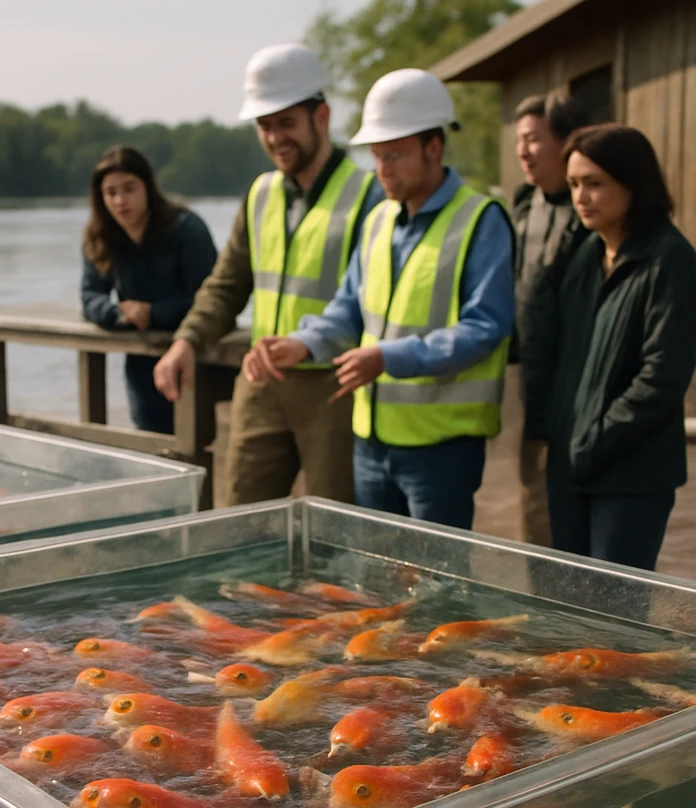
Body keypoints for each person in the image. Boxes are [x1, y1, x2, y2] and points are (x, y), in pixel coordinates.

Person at [246, 69, 514, 530]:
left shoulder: (481, 219)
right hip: (370, 440)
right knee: (375, 579)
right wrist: (303, 343)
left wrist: (387, 357)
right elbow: (348, 308)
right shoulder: (378, 221)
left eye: (395, 156)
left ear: (434, 147)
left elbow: (485, 328)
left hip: (443, 447)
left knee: (438, 583)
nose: (382, 171)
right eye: (376, 157)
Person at [152, 43, 383, 504]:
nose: (276, 137)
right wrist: (186, 341)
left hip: (336, 387)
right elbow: (227, 284)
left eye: (286, 123)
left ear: (321, 117)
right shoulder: (260, 194)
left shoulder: (369, 194)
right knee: (241, 520)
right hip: (260, 382)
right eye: (265, 126)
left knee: (334, 529)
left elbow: (377, 303)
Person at [538, 124, 696, 571]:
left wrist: (594, 441)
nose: (581, 197)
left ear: (633, 183)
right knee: (570, 607)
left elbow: (661, 377)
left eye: (594, 184)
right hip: (571, 465)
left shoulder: (671, 260)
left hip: (632, 473)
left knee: (616, 619)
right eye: (573, 184)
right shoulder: (587, 253)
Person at [81, 145, 217, 434]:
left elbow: (210, 298)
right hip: (142, 363)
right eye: (111, 192)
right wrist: (117, 312)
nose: (120, 200)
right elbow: (89, 297)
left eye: (129, 188)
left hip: (196, 355)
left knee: (198, 444)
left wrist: (152, 313)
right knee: (150, 444)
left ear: (148, 186)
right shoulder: (100, 236)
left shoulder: (187, 229)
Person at [512, 92, 590, 546]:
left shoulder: (596, 219)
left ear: (567, 141)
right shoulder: (526, 206)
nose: (523, 151)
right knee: (537, 521)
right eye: (519, 140)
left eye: (533, 139)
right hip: (535, 397)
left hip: (582, 400)